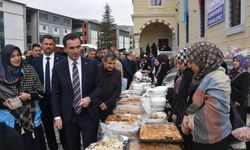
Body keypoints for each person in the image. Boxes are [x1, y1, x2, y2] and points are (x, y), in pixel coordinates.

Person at [51, 33, 101, 149]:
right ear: (65, 49)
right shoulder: (59, 67)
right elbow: (56, 93)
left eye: (78, 47)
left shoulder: (92, 64)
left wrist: (90, 98)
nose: (76, 51)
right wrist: (57, 116)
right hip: (68, 115)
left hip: (88, 114)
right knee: (72, 146)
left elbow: (99, 87)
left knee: (91, 146)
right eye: (71, 48)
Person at [181, 42, 232, 150]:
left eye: (191, 62)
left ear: (202, 60)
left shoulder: (218, 79)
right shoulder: (202, 76)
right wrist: (186, 114)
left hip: (214, 140)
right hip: (203, 138)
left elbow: (210, 116)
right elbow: (194, 102)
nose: (189, 65)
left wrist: (188, 122)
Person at [0, 44, 46, 150]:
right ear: (5, 58)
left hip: (31, 119)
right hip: (8, 121)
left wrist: (29, 95)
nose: (17, 58)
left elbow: (40, 91)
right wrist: (3, 102)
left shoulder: (29, 69)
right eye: (12, 56)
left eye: (18, 55)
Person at [32, 34, 68, 150]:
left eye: (51, 44)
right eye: (46, 44)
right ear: (42, 45)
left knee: (62, 127)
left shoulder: (62, 60)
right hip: (43, 100)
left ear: (54, 46)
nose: (48, 46)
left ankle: (66, 146)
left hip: (59, 99)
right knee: (48, 128)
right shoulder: (35, 62)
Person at [98, 50, 121, 121]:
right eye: (109, 63)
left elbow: (117, 91)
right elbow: (91, 88)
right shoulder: (96, 70)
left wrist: (107, 104)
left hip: (109, 106)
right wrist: (99, 103)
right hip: (96, 105)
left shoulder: (117, 73)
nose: (112, 66)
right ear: (104, 61)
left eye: (114, 63)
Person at [229, 54, 250, 124]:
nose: (234, 62)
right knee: (231, 121)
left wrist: (238, 102)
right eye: (233, 61)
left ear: (241, 62)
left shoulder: (245, 74)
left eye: (237, 61)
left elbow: (245, 90)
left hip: (239, 104)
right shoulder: (231, 73)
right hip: (231, 101)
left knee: (238, 121)